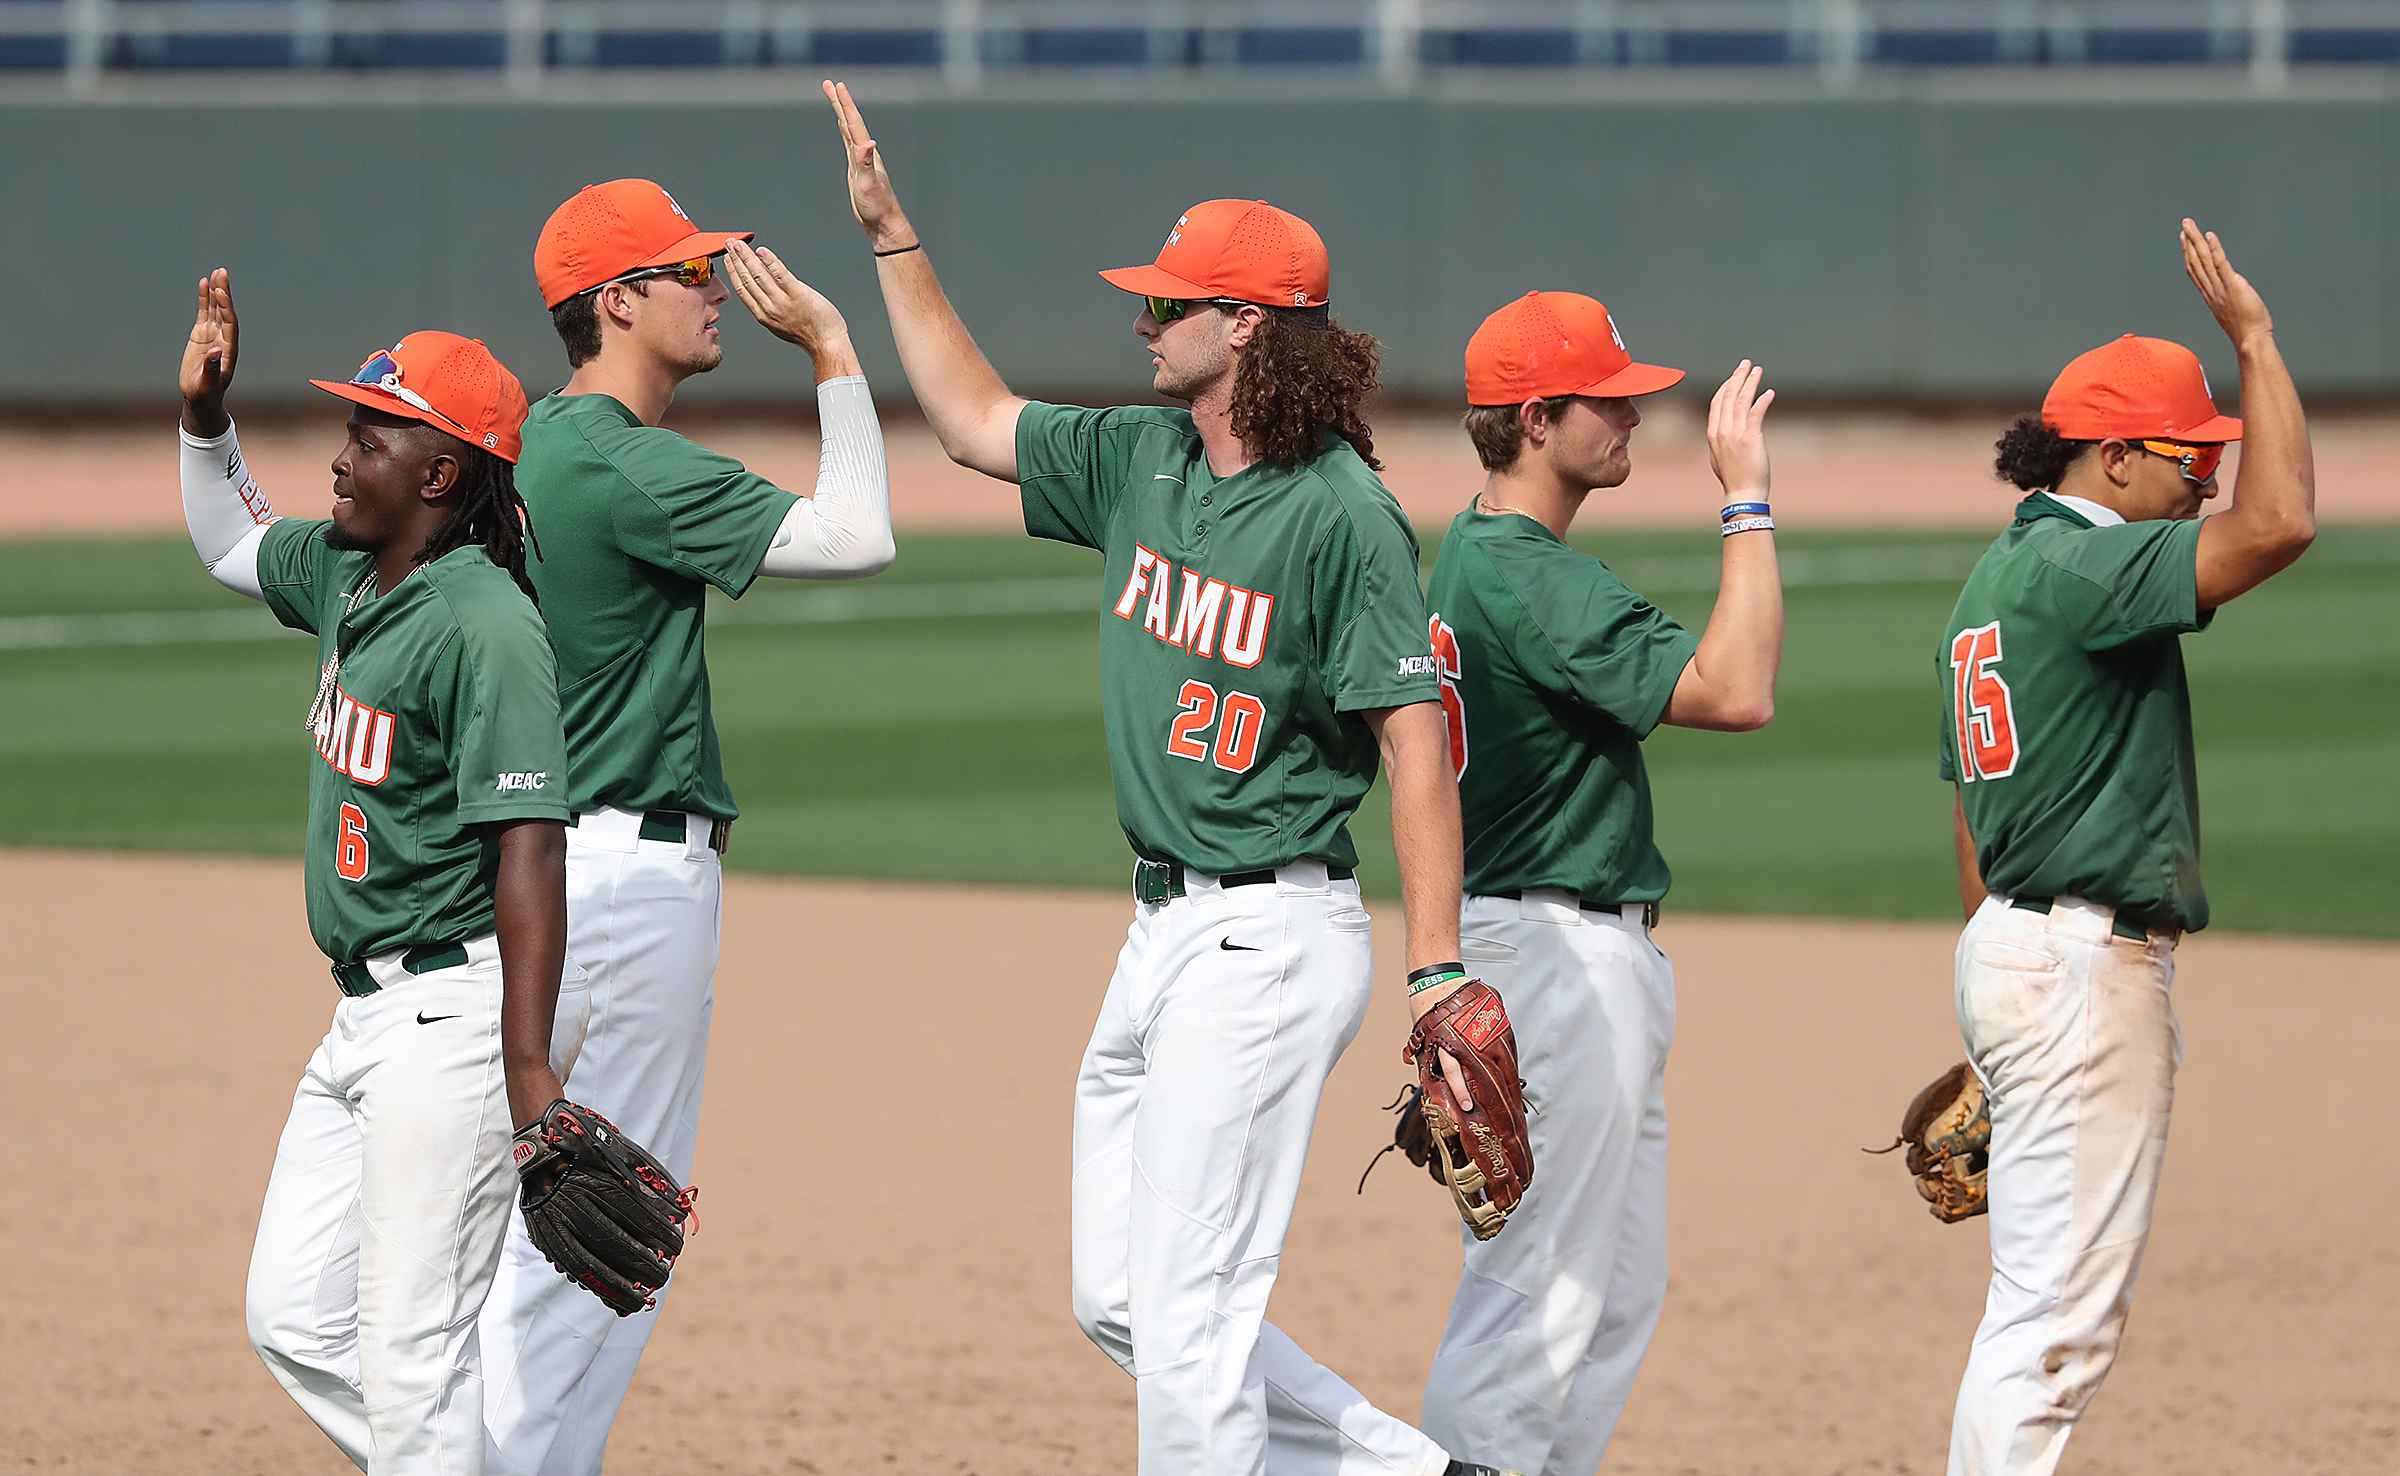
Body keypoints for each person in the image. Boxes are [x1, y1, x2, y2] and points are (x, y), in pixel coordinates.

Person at [824, 79, 1515, 1476]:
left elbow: (1412, 745)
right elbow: (969, 420)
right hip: (1157, 937)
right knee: (1128, 1303)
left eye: (1167, 305)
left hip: (1268, 938)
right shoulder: (1140, 458)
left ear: (1246, 324)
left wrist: (1436, 969)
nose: (1141, 322)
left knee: (1192, 1323)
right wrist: (894, 241)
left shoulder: (1342, 518)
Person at [475, 179, 895, 1475]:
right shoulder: (629, 459)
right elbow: (858, 533)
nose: (715, 291)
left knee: (517, 1235)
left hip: (523, 872)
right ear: (616, 302)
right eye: (686, 274)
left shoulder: (524, 450)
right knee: (600, 1245)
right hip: (624, 890)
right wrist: (832, 351)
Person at [178, 270, 573, 1474]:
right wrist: (206, 418)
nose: (344, 455)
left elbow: (532, 845)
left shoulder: (486, 626)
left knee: (412, 1364)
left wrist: (526, 1069)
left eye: (373, 432)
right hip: (362, 1015)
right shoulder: (355, 573)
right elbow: (236, 538)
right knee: (296, 1317)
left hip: (451, 1022)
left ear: (443, 474)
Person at [1938, 220, 2313, 1476]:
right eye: (2188, 452)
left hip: (2021, 950)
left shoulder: (1999, 576)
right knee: (2053, 1326)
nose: (2208, 473)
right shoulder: (2085, 568)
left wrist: (2002, 996)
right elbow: (2283, 523)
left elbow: (1967, 810)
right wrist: (2255, 343)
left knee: (2035, 1308)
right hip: (2082, 971)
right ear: (2110, 458)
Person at [1417, 291, 1782, 1476]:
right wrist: (1746, 500)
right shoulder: (1528, 573)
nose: (1634, 415)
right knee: (1539, 1294)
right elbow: (1737, 690)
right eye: (1607, 401)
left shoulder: (1478, 554)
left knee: (1614, 1292)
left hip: (1546, 946)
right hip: (1557, 959)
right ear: (1533, 420)